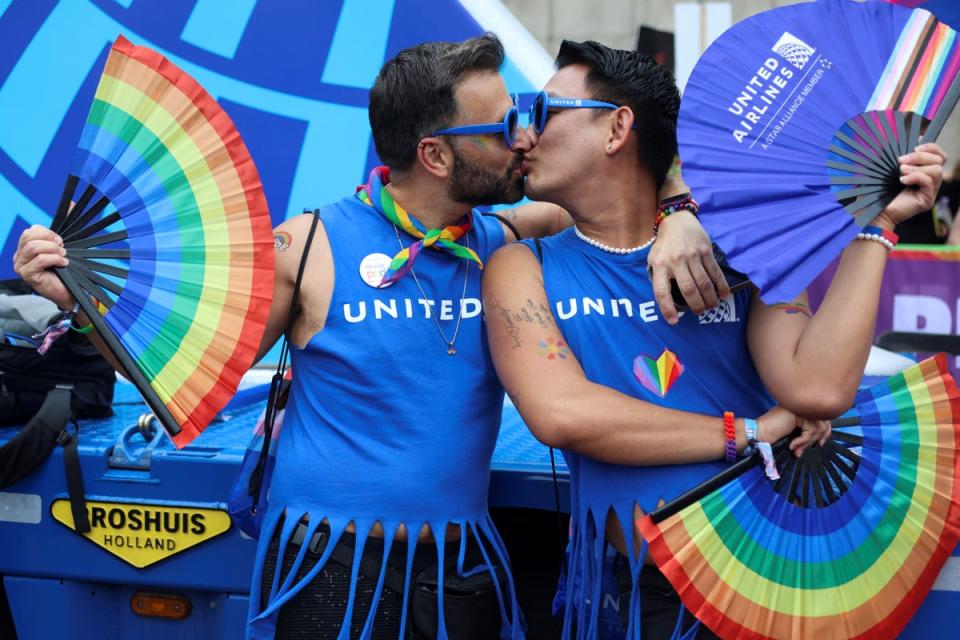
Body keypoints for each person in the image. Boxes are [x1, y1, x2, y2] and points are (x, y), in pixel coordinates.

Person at [12, 34, 729, 640]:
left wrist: (681, 209)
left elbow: (630, 178)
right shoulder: (308, 245)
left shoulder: (505, 235)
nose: (521, 140)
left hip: (461, 572)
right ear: (437, 155)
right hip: (330, 575)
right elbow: (188, 377)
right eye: (498, 128)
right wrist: (77, 303)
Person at [482, 40, 945, 639]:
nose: (522, 135)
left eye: (543, 113)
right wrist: (749, 434)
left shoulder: (741, 246)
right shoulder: (522, 264)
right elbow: (561, 414)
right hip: (635, 592)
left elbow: (817, 386)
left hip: (765, 575)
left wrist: (876, 226)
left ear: (617, 127)